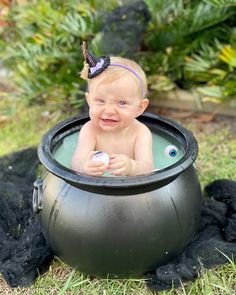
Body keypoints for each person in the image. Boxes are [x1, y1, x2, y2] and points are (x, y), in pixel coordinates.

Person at [71, 42, 153, 176]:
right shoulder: (90, 130)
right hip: (98, 188)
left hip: (129, 188)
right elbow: (76, 161)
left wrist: (132, 167)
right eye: (100, 101)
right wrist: (84, 167)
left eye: (122, 103)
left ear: (139, 108)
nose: (109, 111)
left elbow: (147, 167)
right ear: (89, 101)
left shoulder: (140, 133)